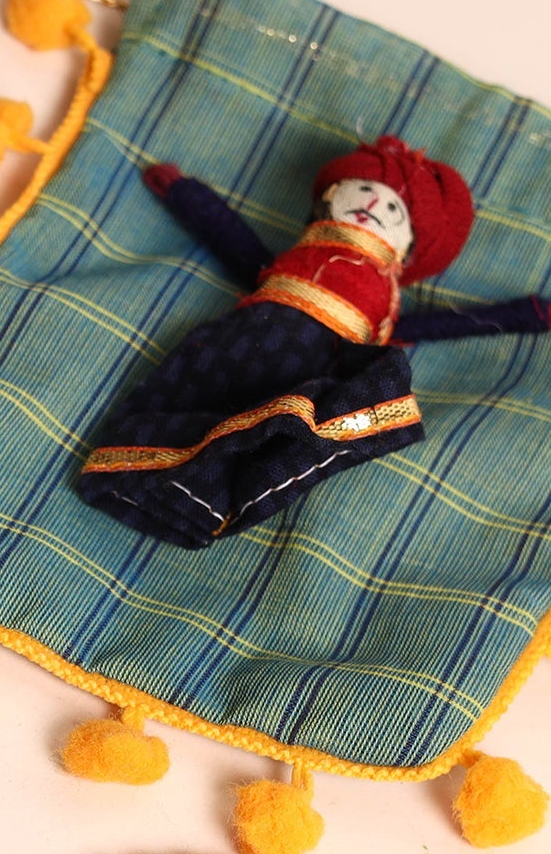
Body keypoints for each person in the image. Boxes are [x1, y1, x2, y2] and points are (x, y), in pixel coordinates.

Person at [74, 136, 549, 548]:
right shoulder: (294, 262)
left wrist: (521, 315)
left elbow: (446, 323)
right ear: (330, 199)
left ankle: (192, 504)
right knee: (187, 400)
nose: (371, 205)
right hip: (233, 344)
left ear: (408, 247)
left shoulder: (382, 304)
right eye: (364, 190)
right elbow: (234, 241)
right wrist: (185, 193)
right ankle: (128, 470)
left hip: (304, 375)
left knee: (256, 435)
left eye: (391, 209)